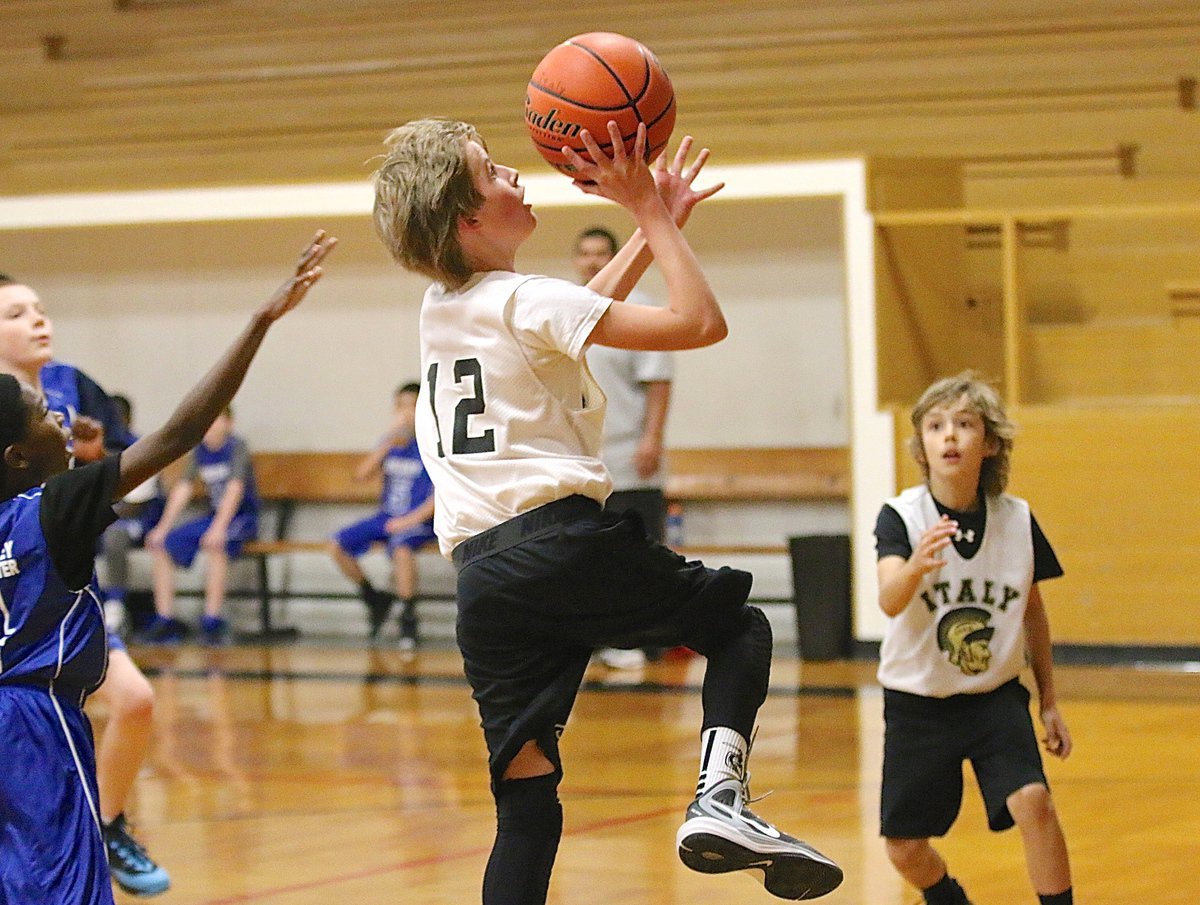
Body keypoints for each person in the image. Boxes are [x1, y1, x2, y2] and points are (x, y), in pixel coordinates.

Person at [372, 118, 843, 903]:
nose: (515, 175)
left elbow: (566, 320)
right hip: (560, 543)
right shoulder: (525, 298)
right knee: (738, 627)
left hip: (484, 583)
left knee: (526, 809)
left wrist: (651, 226)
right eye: (492, 170)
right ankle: (721, 800)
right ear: (467, 217)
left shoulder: (442, 307)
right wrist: (651, 215)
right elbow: (699, 323)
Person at [0, 231, 334, 905]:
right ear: (16, 453)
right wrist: (258, 322)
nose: (61, 422)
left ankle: (115, 821)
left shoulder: (36, 489)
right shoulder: (53, 505)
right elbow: (180, 433)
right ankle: (111, 825)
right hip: (37, 718)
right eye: (45, 418)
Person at [874, 372, 1075, 905]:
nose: (950, 436)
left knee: (1034, 800)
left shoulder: (1017, 519)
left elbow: (1034, 614)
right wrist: (918, 565)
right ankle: (948, 899)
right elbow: (889, 600)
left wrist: (1049, 702)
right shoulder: (901, 517)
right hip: (918, 702)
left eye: (964, 425)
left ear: (989, 443)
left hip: (995, 696)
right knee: (904, 849)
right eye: (936, 426)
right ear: (922, 446)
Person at [0, 272, 170, 895]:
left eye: (40, 309)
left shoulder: (75, 387)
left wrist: (91, 464)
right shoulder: (10, 410)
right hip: (19, 611)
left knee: (135, 700)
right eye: (17, 314)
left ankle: (107, 823)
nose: (38, 321)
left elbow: (141, 476)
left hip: (58, 591)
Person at [574, 225, 674, 671]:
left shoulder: (644, 309)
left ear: (617, 257)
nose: (594, 261)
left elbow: (658, 382)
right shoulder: (567, 311)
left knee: (636, 551)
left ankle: (642, 638)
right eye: (586, 254)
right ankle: (599, 637)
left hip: (629, 455)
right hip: (581, 461)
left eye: (602, 254)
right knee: (588, 554)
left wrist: (651, 437)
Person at [328, 381, 436, 647]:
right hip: (387, 516)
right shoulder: (391, 443)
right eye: (401, 406)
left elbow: (440, 496)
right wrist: (386, 444)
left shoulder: (434, 443)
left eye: (412, 406)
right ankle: (374, 598)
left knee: (401, 548)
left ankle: (408, 619)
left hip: (420, 520)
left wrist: (408, 521)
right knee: (336, 544)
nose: (406, 413)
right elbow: (361, 475)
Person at [143, 406, 260, 645]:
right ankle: (165, 619)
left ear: (229, 423)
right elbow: (183, 488)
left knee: (216, 544)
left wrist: (218, 528)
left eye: (216, 420)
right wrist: (163, 527)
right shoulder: (200, 451)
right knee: (162, 544)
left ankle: (212, 620)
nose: (210, 427)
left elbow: (234, 489)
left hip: (241, 517)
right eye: (206, 422)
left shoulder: (237, 448)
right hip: (214, 515)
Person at [99, 393, 166, 636]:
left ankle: (115, 604)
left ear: (128, 420)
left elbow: (135, 504)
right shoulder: (97, 448)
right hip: (107, 517)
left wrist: (94, 512)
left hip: (140, 520)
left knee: (113, 534)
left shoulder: (141, 449)